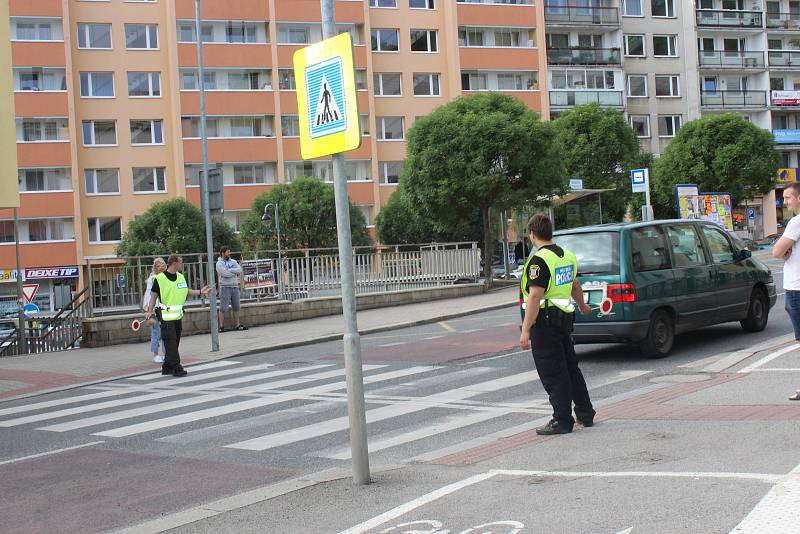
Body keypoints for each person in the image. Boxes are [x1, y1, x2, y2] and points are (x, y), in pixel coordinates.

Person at [519, 214, 596, 435]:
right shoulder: (567, 256)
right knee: (571, 368)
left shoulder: (539, 261)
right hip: (564, 321)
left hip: (544, 323)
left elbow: (534, 297)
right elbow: (575, 286)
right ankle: (585, 413)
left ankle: (561, 420)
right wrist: (582, 306)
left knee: (553, 371)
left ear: (532, 233)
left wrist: (525, 330)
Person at [145, 255, 210, 377]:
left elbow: (186, 291)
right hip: (166, 318)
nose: (182, 264)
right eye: (181, 262)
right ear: (174, 263)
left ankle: (167, 367)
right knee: (171, 344)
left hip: (178, 318)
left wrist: (200, 292)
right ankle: (177, 367)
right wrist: (149, 310)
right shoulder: (160, 279)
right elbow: (153, 296)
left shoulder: (180, 277)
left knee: (175, 342)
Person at [772, 183, 800, 400]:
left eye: (789, 197)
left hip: (796, 287)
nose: (785, 202)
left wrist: (783, 252)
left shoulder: (796, 222)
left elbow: (776, 251)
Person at [216, 246, 248, 332]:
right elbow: (224, 273)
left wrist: (229, 270)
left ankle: (237, 325)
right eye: (228, 252)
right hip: (225, 287)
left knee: (236, 307)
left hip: (235, 286)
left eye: (229, 252)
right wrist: (233, 273)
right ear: (223, 253)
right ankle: (221, 326)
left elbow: (239, 270)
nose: (229, 254)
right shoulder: (219, 263)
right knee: (223, 308)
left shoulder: (233, 261)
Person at [142, 257, 166, 364]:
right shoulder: (153, 279)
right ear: (156, 267)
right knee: (156, 331)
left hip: (164, 308)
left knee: (166, 332)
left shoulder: (166, 277)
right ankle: (156, 354)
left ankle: (166, 354)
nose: (162, 266)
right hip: (155, 308)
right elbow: (148, 294)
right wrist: (149, 309)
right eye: (159, 264)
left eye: (163, 264)